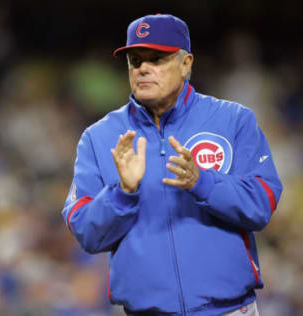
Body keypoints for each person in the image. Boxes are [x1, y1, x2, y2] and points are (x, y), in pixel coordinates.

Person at [62, 14, 282, 316]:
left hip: (228, 310)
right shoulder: (99, 137)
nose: (143, 69)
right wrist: (122, 193)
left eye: (157, 58)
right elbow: (86, 232)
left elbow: (262, 203)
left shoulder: (233, 120)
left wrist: (202, 182)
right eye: (135, 60)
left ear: (186, 63)